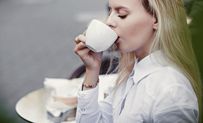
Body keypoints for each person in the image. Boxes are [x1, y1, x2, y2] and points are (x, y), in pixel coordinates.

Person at [73, 0, 202, 122]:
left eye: (122, 14)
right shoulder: (132, 73)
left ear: (156, 18)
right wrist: (92, 70)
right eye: (110, 11)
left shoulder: (171, 91)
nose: (109, 22)